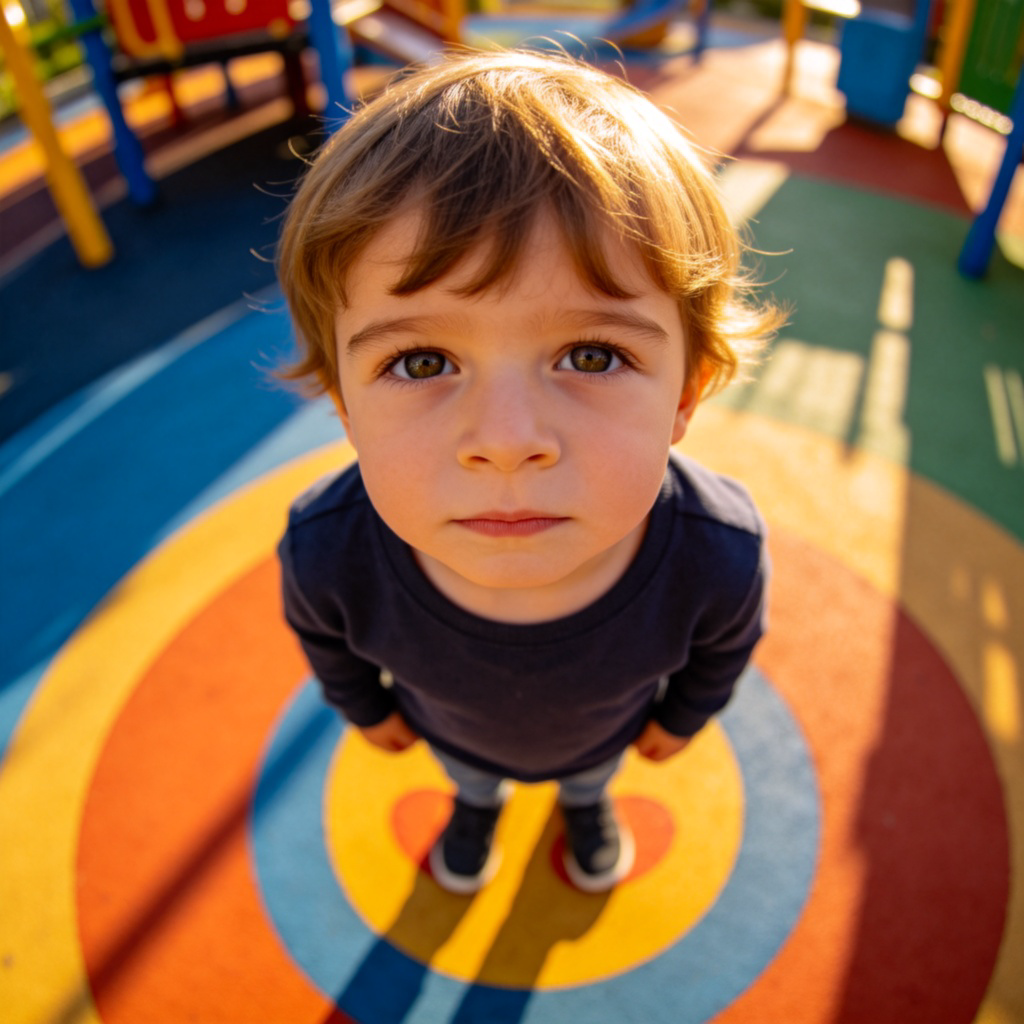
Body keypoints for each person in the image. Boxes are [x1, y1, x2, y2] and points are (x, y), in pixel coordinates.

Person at [275, 48, 784, 895]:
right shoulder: (328, 550)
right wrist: (365, 709)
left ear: (686, 395)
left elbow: (726, 644)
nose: (507, 441)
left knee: (587, 777)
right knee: (472, 775)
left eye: (592, 353)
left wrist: (684, 716)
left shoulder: (718, 552)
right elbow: (325, 639)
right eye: (422, 362)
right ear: (343, 404)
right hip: (453, 736)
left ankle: (585, 804)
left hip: (604, 737)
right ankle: (477, 805)